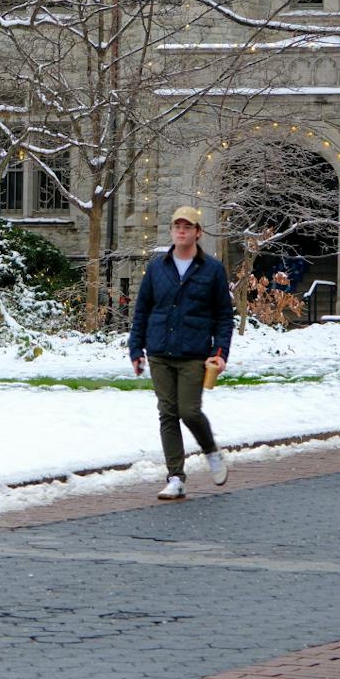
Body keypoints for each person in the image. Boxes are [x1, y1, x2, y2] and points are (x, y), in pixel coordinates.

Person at [128, 205, 235, 500]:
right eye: (177, 226)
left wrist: (220, 352)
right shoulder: (157, 268)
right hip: (159, 350)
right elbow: (142, 310)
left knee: (188, 411)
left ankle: (211, 451)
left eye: (188, 227)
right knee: (167, 413)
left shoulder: (212, 270)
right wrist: (136, 349)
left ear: (198, 232)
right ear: (172, 230)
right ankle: (175, 477)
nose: (181, 231)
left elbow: (224, 316)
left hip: (194, 353)